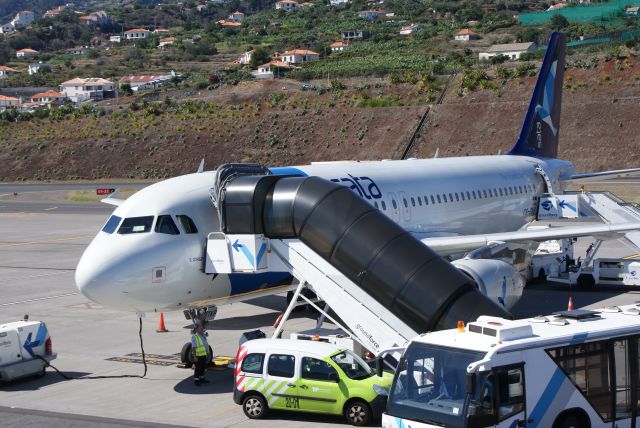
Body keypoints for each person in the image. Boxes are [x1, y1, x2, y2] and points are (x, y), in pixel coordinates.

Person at [191, 320, 210, 386]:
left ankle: (202, 378)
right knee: (198, 368)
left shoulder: (202, 335)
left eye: (202, 327)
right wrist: (194, 356)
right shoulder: (195, 337)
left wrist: (207, 352)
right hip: (198, 356)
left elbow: (205, 345)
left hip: (203, 355)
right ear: (197, 328)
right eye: (200, 327)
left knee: (203, 367)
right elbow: (193, 347)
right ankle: (196, 380)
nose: (202, 328)